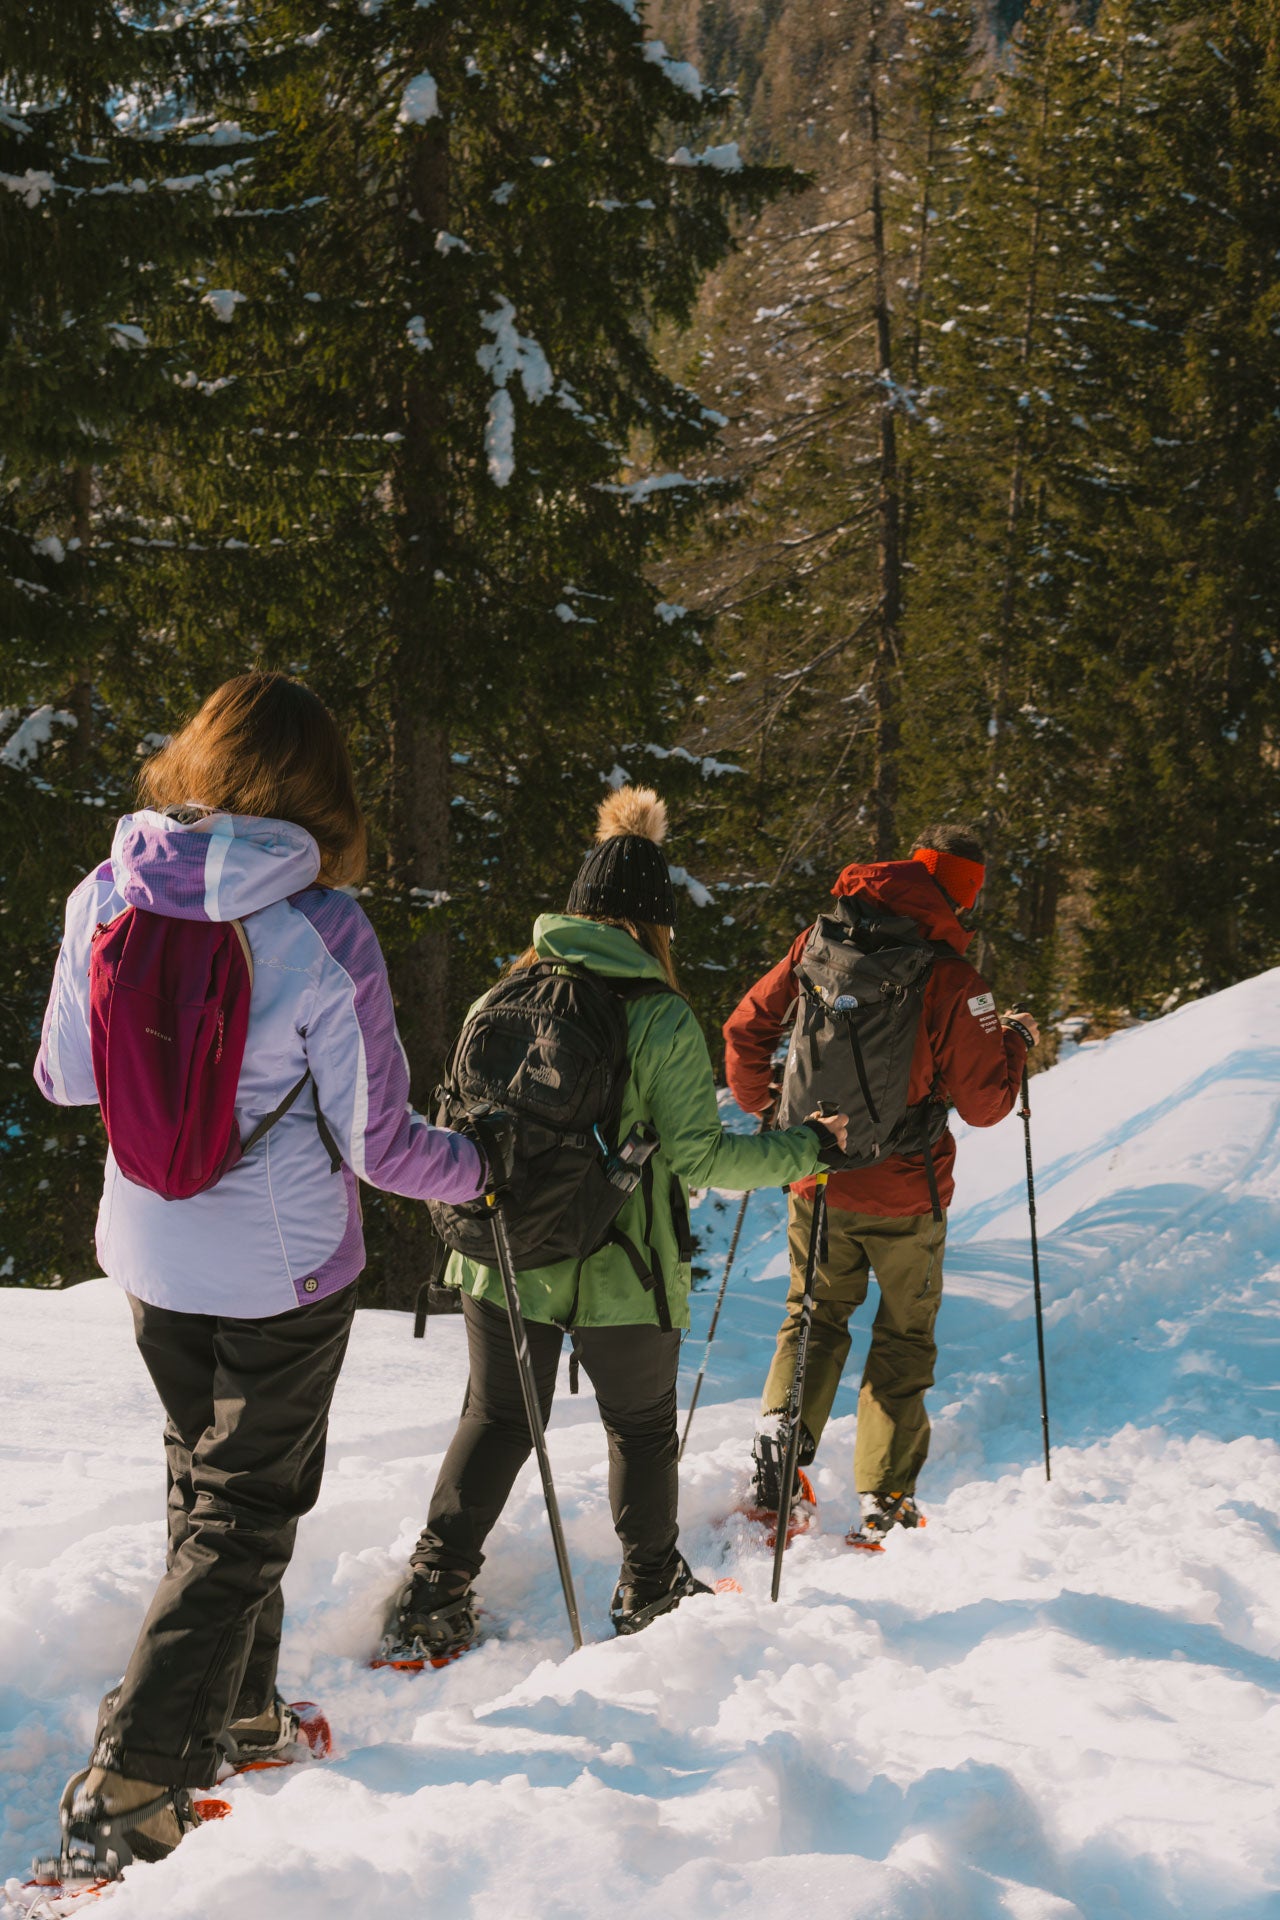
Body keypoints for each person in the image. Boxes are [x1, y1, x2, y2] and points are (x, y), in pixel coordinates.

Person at [32, 672, 487, 1879]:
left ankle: (237, 1713)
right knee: (243, 1514)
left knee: (207, 1486)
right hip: (282, 1270)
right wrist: (478, 1167)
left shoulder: (106, 890)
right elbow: (381, 1148)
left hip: (148, 1251)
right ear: (323, 788)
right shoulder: (322, 930)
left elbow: (63, 1081)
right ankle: (134, 1783)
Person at [386, 785, 847, 1652]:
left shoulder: (502, 993)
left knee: (497, 1418)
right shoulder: (659, 1015)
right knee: (638, 1429)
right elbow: (702, 1159)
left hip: (502, 1255)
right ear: (655, 925)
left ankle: (431, 1594)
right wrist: (808, 1148)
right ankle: (649, 1586)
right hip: (620, 1267)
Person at [723, 824, 1039, 1549]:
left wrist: (765, 1109)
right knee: (902, 1336)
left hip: (815, 1179)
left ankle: (780, 1447)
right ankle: (885, 1494)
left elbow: (746, 1029)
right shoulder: (953, 979)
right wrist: (1013, 1041)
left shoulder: (821, 941)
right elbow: (986, 1105)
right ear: (963, 894)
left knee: (812, 1316)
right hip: (907, 1193)